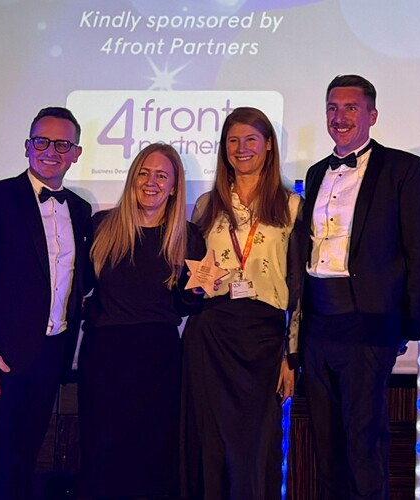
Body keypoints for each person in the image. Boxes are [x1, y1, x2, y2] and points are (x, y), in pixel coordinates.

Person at [296, 75, 420, 499]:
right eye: (332, 108)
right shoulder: (314, 171)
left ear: (371, 116)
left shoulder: (404, 169)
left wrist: (408, 326)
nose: (339, 118)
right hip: (318, 326)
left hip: (368, 323)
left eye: (350, 109)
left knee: (364, 441)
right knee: (325, 443)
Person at [0, 106, 93, 498]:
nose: (51, 151)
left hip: (50, 356)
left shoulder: (80, 210)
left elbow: (77, 281)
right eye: (42, 141)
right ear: (27, 147)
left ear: (76, 152)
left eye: (62, 143)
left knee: (23, 465)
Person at [182, 106, 300, 500]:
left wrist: (290, 355)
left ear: (268, 146)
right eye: (233, 140)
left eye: (251, 139)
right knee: (209, 445)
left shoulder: (292, 207)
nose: (241, 148)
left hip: (264, 340)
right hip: (211, 335)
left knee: (255, 447)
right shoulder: (205, 206)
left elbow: (300, 290)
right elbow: (191, 277)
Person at [77, 143, 205, 497]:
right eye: (144, 173)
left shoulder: (188, 236)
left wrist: (196, 295)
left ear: (175, 186)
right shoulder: (102, 226)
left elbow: (183, 306)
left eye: (161, 175)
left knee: (152, 458)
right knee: (101, 455)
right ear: (133, 178)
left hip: (158, 359)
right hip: (104, 357)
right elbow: (80, 287)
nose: (151, 182)